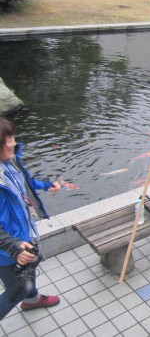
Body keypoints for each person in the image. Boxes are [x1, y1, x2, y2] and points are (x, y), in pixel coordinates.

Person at [0, 117, 61, 319]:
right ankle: (27, 297)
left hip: (24, 238)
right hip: (6, 252)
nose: (13, 144)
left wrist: (45, 185)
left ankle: (32, 301)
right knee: (17, 289)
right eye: (7, 141)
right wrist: (14, 248)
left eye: (12, 138)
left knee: (29, 272)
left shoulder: (9, 163)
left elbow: (23, 183)